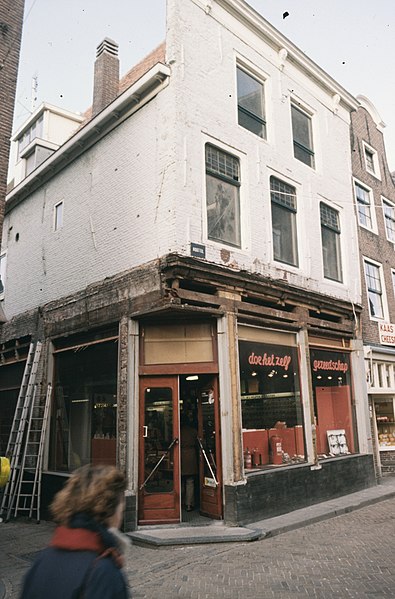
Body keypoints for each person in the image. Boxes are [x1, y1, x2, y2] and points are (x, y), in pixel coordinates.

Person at [20, 464, 130, 599]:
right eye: (121, 507)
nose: (121, 514)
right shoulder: (104, 571)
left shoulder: (42, 560)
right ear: (109, 510)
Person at [180, 412, 198, 511]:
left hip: (180, 455)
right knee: (190, 481)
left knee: (181, 481)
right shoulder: (193, 431)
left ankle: (181, 503)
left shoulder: (179, 431)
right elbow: (198, 442)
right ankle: (189, 504)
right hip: (191, 456)